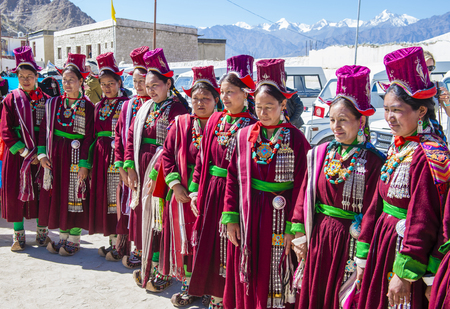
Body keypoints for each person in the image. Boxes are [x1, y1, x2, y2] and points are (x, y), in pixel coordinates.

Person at [357, 47, 449, 309]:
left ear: (421, 112)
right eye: (386, 109)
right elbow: (378, 200)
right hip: (384, 242)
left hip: (405, 250)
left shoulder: (428, 153)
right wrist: (364, 254)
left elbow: (424, 218)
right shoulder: (401, 145)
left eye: (396, 110)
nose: (389, 118)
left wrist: (404, 273)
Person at [290, 65, 385, 309]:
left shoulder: (375, 161)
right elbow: (304, 194)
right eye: (332, 120)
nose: (336, 127)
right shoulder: (320, 154)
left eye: (343, 120)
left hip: (350, 240)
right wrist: (299, 230)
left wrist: (363, 251)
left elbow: (375, 211)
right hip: (320, 235)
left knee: (343, 297)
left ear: (361, 120)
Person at [222, 58, 310, 309]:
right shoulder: (243, 136)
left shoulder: (296, 138)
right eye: (258, 106)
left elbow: (304, 184)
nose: (263, 113)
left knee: (276, 268)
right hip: (249, 213)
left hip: (281, 216)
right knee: (250, 268)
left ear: (283, 104)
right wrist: (230, 218)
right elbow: (232, 178)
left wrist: (295, 226)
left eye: (270, 106)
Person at [187, 55, 257, 308]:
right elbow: (202, 159)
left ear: (246, 93)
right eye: (223, 92)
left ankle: (226, 298)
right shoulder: (216, 120)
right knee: (209, 244)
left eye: (231, 92)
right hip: (210, 189)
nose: (225, 98)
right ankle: (211, 293)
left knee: (228, 247)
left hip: (234, 196)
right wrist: (195, 190)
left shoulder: (251, 125)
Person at [124, 48, 189, 292]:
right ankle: (148, 265)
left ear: (168, 83)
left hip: (162, 170)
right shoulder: (145, 108)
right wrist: (129, 166)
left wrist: (156, 173)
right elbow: (131, 138)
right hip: (142, 167)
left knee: (160, 220)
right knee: (144, 217)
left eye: (156, 85)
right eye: (148, 86)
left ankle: (164, 271)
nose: (151, 90)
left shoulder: (178, 110)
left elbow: (175, 147)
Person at [156, 66, 220, 306]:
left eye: (206, 98)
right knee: (185, 241)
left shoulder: (224, 125)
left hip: (211, 193)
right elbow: (167, 155)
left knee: (208, 241)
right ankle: (189, 286)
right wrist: (175, 186)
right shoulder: (181, 123)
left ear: (217, 99)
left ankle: (210, 287)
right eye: (195, 99)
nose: (200, 103)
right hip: (183, 192)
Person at [37, 53, 95, 256]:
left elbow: (89, 137)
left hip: (75, 158)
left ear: (81, 81)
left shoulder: (88, 107)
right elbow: (44, 130)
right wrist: (42, 155)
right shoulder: (53, 104)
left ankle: (74, 238)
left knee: (75, 196)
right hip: (56, 155)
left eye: (72, 80)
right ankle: (62, 235)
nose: (67, 84)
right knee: (59, 194)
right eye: (64, 80)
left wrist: (85, 164)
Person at [0, 46, 51, 251]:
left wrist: (40, 153)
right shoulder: (10, 99)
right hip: (18, 156)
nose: (25, 80)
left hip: (41, 156)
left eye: (29, 75)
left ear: (37, 75)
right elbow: (5, 130)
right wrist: (25, 152)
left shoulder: (47, 100)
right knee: (16, 193)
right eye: (21, 76)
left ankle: (42, 234)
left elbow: (48, 129)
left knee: (42, 192)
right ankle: (18, 236)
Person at [107, 46, 151, 265]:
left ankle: (143, 251)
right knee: (125, 206)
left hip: (148, 167)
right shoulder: (128, 106)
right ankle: (122, 245)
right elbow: (118, 137)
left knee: (144, 208)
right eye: (134, 81)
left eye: (142, 80)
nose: (138, 85)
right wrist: (121, 165)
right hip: (128, 166)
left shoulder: (157, 106)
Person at [88, 52, 130, 257]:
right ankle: (113, 242)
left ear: (119, 82)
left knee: (118, 198)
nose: (106, 87)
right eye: (103, 84)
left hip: (118, 155)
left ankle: (122, 245)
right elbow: (93, 135)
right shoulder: (98, 106)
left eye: (110, 83)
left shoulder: (127, 104)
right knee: (106, 199)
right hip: (101, 155)